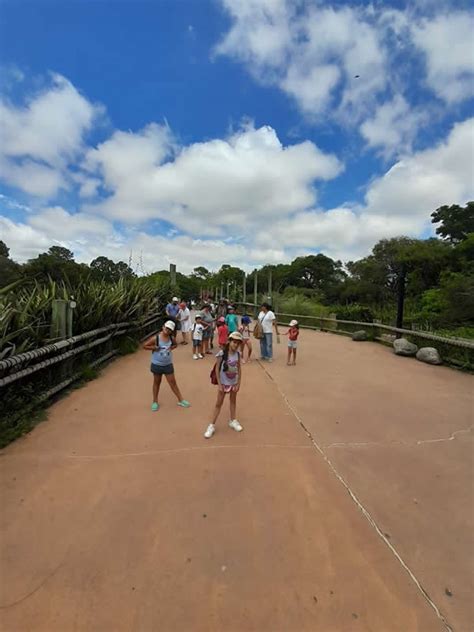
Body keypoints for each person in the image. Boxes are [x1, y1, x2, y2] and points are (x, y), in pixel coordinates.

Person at [143, 321, 191, 411]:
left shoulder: (171, 338)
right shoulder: (156, 338)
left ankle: (181, 400)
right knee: (157, 382)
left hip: (167, 364)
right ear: (163, 327)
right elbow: (145, 346)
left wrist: (171, 348)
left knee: (173, 383)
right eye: (166, 328)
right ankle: (155, 401)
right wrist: (154, 348)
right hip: (157, 364)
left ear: (171, 331)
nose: (167, 330)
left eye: (170, 329)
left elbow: (175, 345)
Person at [204, 331, 244, 439]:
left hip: (233, 382)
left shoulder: (238, 354)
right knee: (218, 404)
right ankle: (211, 425)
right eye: (234, 342)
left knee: (233, 401)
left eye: (238, 343)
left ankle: (233, 420)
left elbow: (239, 369)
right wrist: (220, 384)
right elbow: (217, 369)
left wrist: (238, 383)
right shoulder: (222, 353)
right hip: (224, 382)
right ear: (229, 341)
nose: (235, 345)